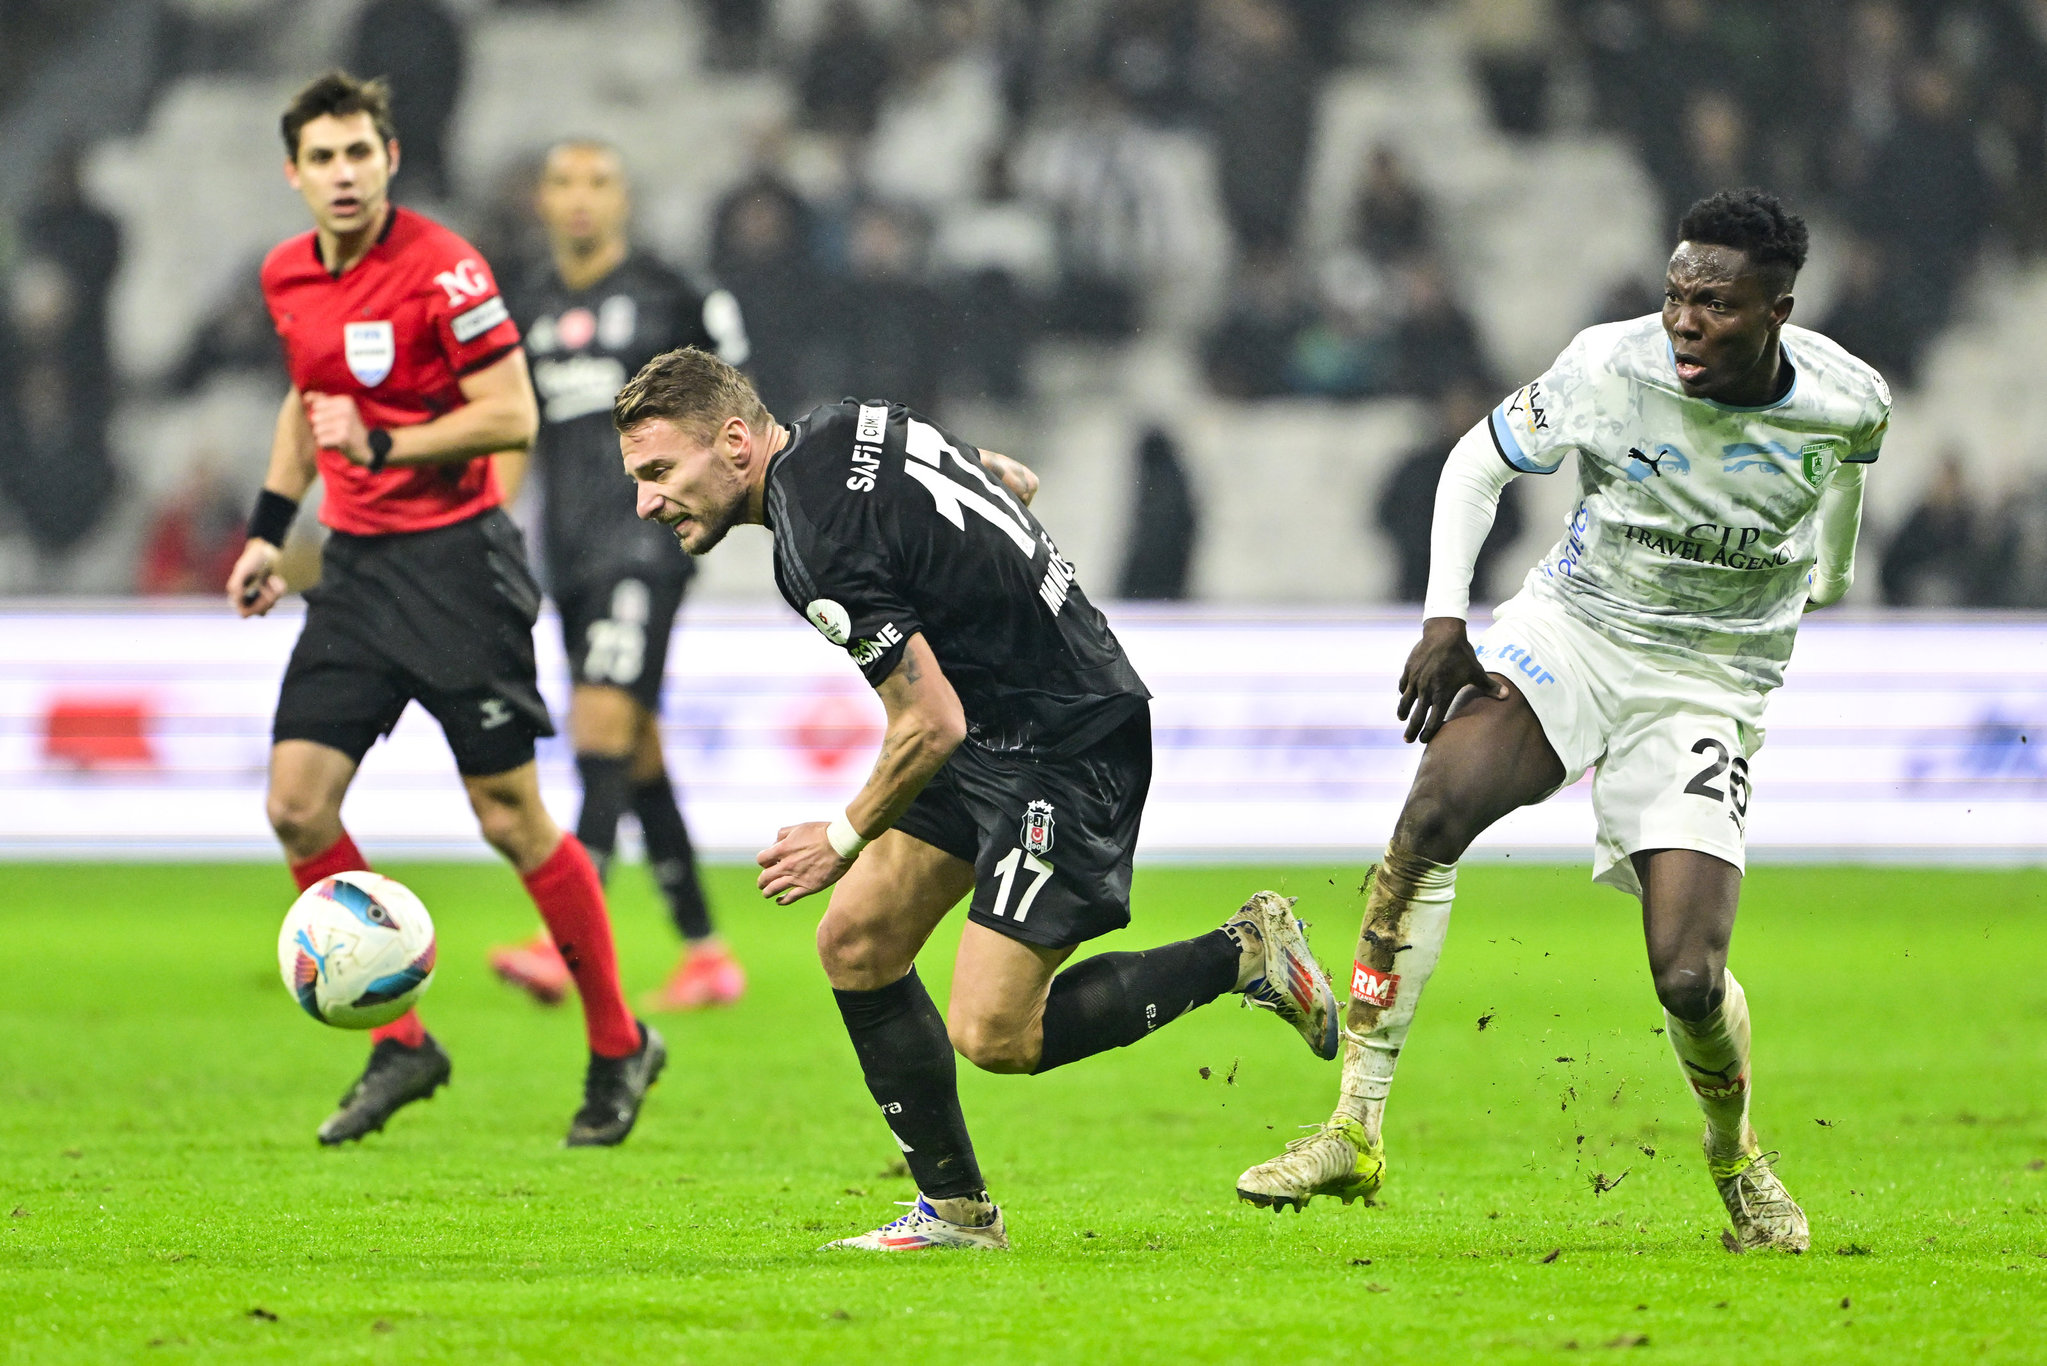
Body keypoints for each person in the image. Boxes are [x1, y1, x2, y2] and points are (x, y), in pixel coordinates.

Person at [1234, 189, 1891, 1254]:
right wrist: (1445, 617)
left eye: (1716, 305)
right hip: (1576, 629)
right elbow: (1474, 463)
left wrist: (1831, 570)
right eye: (1677, 294)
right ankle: (1351, 1128)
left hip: (1710, 674)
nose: (1684, 320)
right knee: (1436, 807)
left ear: (1777, 310)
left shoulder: (1848, 396)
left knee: (1686, 972)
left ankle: (1736, 1161)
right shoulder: (1607, 366)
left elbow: (1845, 479)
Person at [614, 347, 1341, 1251]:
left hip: (1064, 741)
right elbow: (1005, 473)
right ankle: (956, 1213)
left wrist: (836, 839)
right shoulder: (846, 421)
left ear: (731, 442)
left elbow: (928, 725)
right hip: (1004, 718)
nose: (646, 502)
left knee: (996, 1034)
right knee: (856, 943)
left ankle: (1243, 952)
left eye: (657, 472)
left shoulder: (814, 548)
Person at [225, 71, 661, 1148]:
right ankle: (403, 1041)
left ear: (390, 160)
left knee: (510, 819)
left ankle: (618, 1042)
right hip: (359, 574)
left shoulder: (443, 268)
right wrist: (269, 530)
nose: (341, 174)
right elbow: (305, 400)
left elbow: (510, 413)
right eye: (321, 158)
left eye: (358, 154)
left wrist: (387, 444)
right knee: (295, 805)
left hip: (460, 569)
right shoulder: (288, 275)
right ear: (295, 172)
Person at [488, 140, 751, 1014]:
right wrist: (488, 533)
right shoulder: (520, 300)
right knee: (631, 745)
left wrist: (710, 508)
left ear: (623, 197)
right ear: (542, 197)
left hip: (647, 543)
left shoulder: (672, 294)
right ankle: (706, 955)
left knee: (599, 717)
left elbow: (738, 412)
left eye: (598, 181)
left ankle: (566, 940)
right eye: (562, 180)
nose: (579, 198)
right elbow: (512, 429)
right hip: (566, 554)